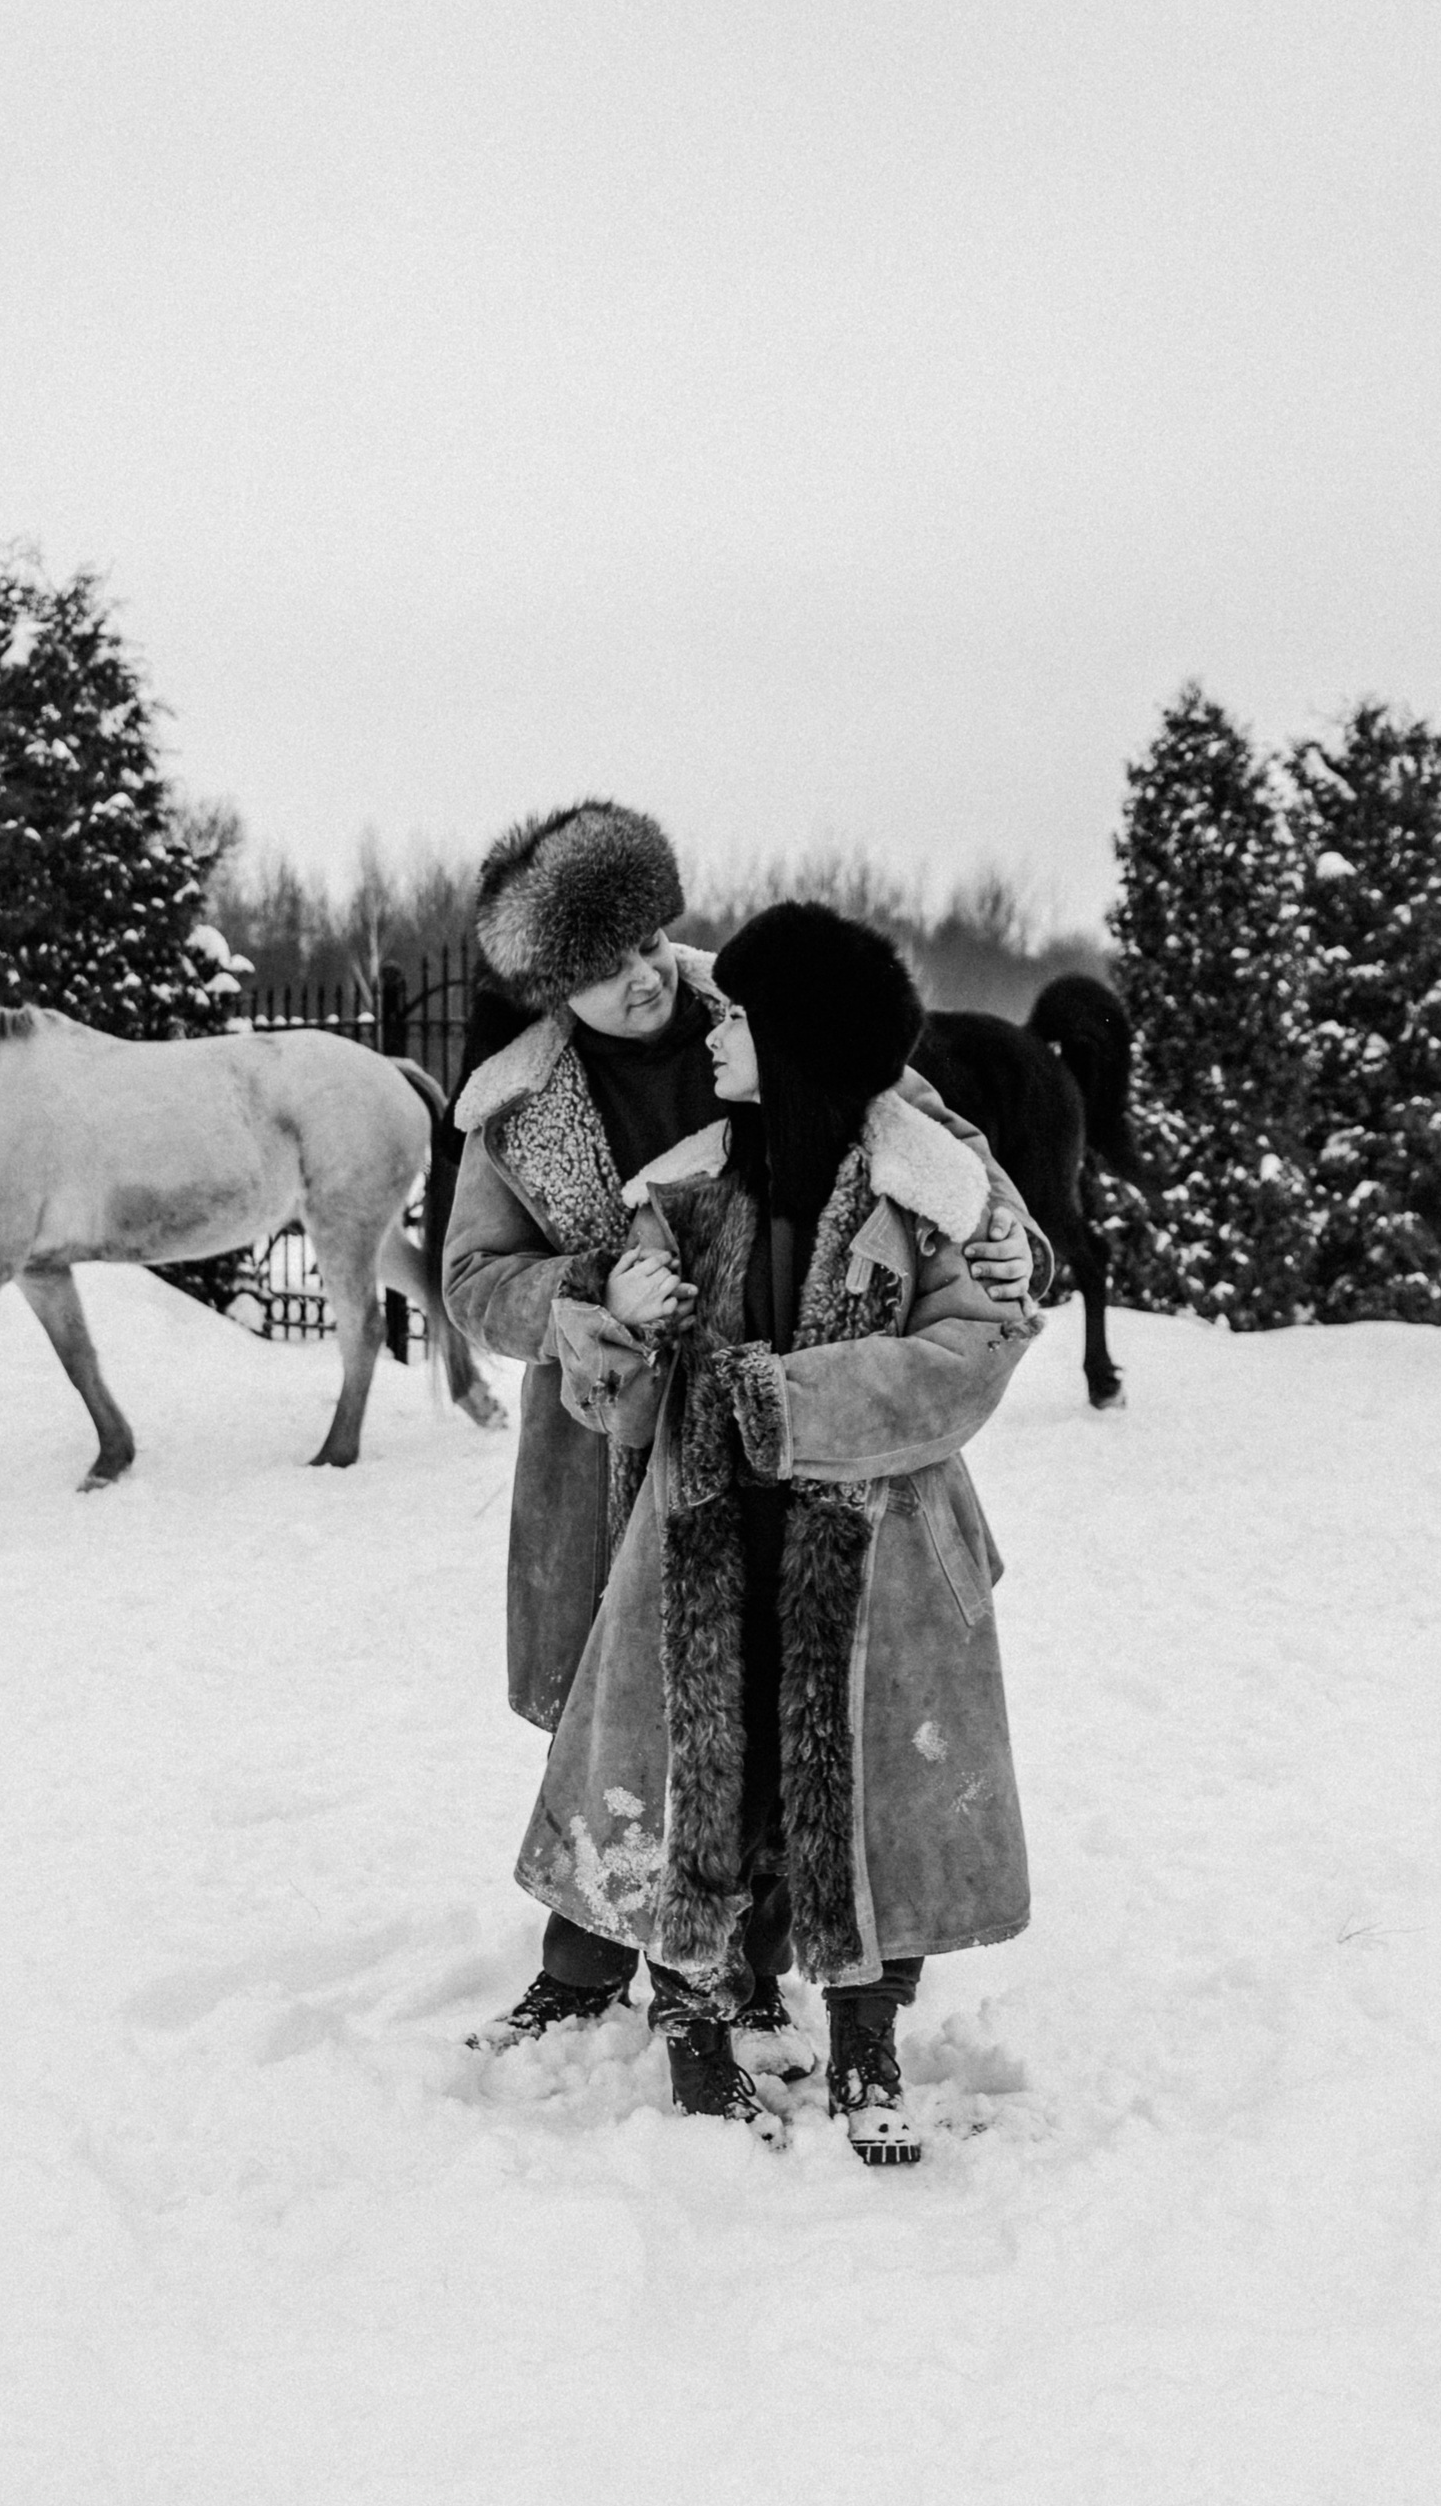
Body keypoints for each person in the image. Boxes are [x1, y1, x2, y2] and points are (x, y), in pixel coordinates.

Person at [442, 804, 1044, 2063]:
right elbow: (472, 1283)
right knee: (623, 1704)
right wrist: (582, 1298)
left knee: (784, 1679)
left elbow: (941, 1152)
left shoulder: (772, 1006)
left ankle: (750, 1953)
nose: (648, 972)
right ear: (556, 993)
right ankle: (597, 1952)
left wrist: (1006, 1235)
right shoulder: (516, 1108)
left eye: (649, 937)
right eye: (607, 968)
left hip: (791, 1410)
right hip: (616, 1434)